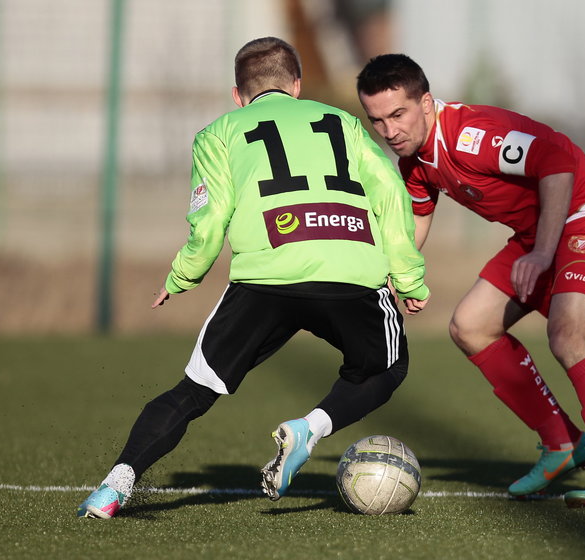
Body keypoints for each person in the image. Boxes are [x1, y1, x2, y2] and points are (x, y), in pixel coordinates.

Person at [77, 38, 429, 519]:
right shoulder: (343, 122)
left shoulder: (217, 133)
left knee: (192, 392)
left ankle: (114, 485)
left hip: (263, 278)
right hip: (349, 272)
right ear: (297, 86)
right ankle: (311, 428)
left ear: (238, 95)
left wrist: (182, 276)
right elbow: (391, 193)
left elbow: (210, 219)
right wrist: (409, 280)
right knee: (388, 366)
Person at [356, 54, 585, 507]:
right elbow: (417, 218)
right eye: (377, 121)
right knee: (471, 326)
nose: (390, 131)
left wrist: (542, 252)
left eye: (398, 114)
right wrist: (394, 278)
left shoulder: (471, 137)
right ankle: (562, 443)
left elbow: (556, 161)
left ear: (427, 104)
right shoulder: (414, 161)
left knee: (569, 336)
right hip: (541, 231)